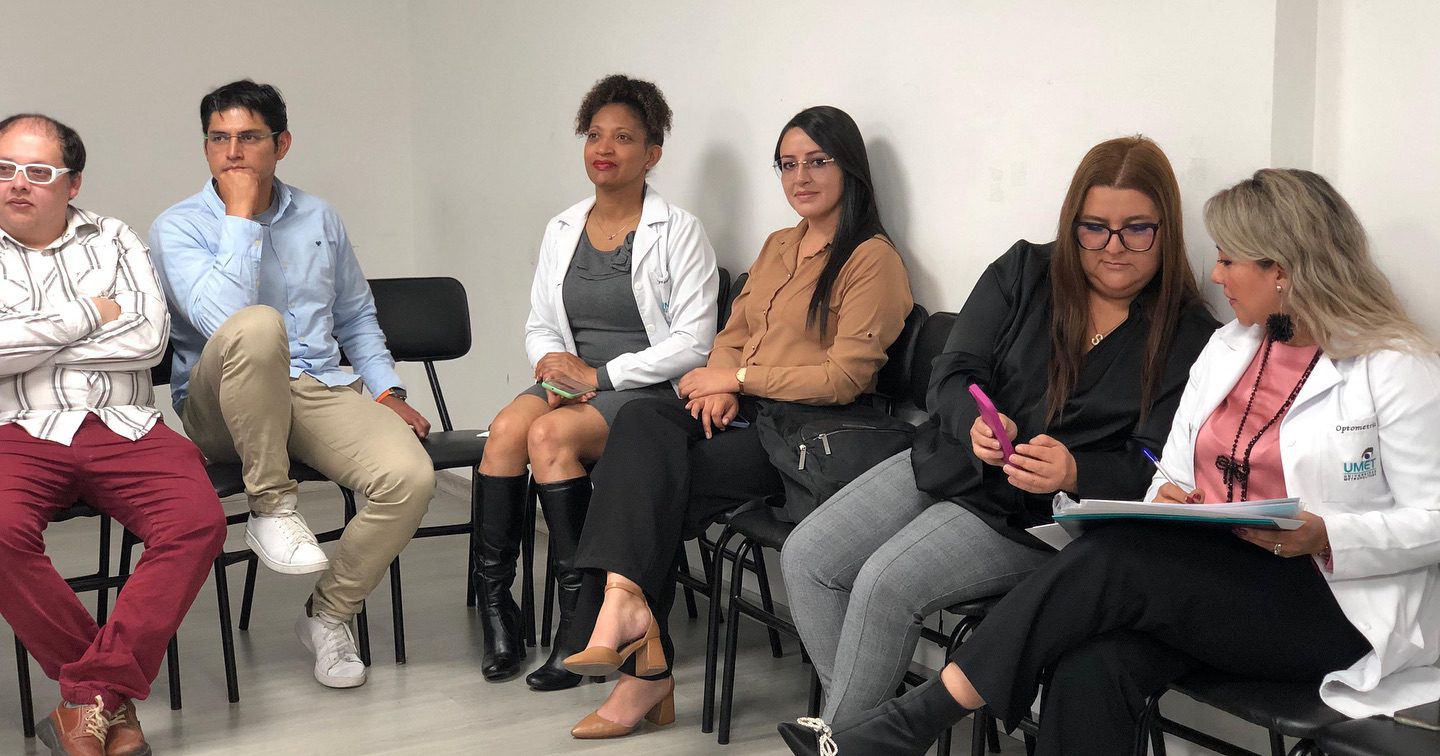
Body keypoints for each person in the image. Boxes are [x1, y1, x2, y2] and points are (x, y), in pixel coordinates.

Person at [778, 168, 1440, 756]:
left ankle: (909, 724)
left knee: (1115, 559)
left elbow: (1434, 519)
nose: (1215, 275)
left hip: (1328, 603)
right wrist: (1173, 498)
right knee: (1089, 664)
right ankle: (893, 732)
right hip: (1219, 578)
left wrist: (1326, 535)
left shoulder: (1394, 367)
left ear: (1285, 270)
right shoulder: (1233, 349)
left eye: (1229, 259)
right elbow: (1170, 471)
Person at [781, 135, 1218, 724]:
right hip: (952, 459)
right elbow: (953, 372)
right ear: (1072, 224)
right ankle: (859, 735)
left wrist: (1077, 471)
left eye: (1137, 230)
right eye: (1094, 229)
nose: (1114, 248)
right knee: (808, 557)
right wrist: (973, 425)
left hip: (1039, 518)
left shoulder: (1190, 335)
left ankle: (848, 738)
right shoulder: (1026, 271)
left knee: (886, 584)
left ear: (1167, 229)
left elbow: (1165, 466)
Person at [557, 105, 914, 739]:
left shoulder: (871, 260)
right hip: (746, 415)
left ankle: (636, 655)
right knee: (641, 423)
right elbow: (733, 333)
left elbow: (843, 378)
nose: (801, 177)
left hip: (801, 439)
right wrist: (719, 385)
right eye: (788, 164)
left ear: (850, 169)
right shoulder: (780, 245)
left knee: (646, 483)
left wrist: (740, 380)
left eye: (817, 162)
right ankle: (625, 612)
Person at [149, 80, 436, 690]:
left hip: (313, 386)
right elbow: (223, 321)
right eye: (218, 139)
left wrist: (387, 391)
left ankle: (328, 615)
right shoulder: (178, 226)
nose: (232, 153)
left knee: (409, 478)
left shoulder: (319, 216)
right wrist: (240, 216)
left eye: (249, 138)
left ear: (281, 144)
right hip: (219, 403)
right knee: (257, 325)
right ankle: (272, 507)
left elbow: (355, 316)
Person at [476, 74, 718, 688]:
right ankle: (498, 609)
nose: (604, 148)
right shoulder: (562, 227)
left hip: (644, 392)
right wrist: (552, 364)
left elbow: (694, 342)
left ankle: (579, 621)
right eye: (594, 135)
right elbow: (540, 323)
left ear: (652, 153)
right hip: (574, 382)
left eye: (624, 137)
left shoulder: (679, 231)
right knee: (504, 432)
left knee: (549, 438)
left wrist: (600, 374)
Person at [0, 113, 226, 756]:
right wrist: (88, 315)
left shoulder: (116, 238)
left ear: (72, 184)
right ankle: (107, 702)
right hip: (16, 427)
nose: (18, 182)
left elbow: (148, 341)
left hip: (126, 424)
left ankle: (88, 700)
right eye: (4, 168)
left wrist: (28, 338)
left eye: (38, 170)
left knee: (197, 521)